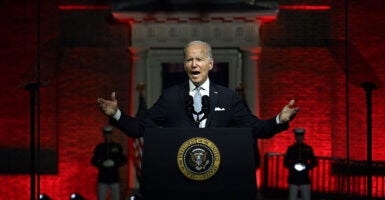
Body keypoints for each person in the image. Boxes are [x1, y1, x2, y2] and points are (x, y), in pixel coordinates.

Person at [97, 40, 299, 191]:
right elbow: (139, 128)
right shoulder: (171, 96)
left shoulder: (228, 98)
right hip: (179, 184)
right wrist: (116, 114)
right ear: (184, 65)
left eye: (199, 59)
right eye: (189, 60)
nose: (194, 64)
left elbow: (255, 128)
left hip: (218, 184)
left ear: (210, 64)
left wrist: (279, 120)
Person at [91, 126, 127, 200]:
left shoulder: (117, 146)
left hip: (114, 178)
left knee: (115, 198)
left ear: (111, 135)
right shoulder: (100, 147)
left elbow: (124, 160)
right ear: (103, 135)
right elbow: (93, 161)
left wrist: (115, 163)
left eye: (109, 134)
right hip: (102, 178)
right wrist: (101, 164)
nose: (108, 136)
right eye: (106, 134)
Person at [284, 128, 317, 200]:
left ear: (303, 137)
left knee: (305, 197)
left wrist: (305, 167)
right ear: (295, 137)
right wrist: (293, 167)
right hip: (294, 177)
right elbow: (285, 162)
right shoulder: (291, 148)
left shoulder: (308, 148)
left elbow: (314, 162)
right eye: (298, 136)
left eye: (301, 136)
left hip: (303, 178)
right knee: (293, 197)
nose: (299, 138)